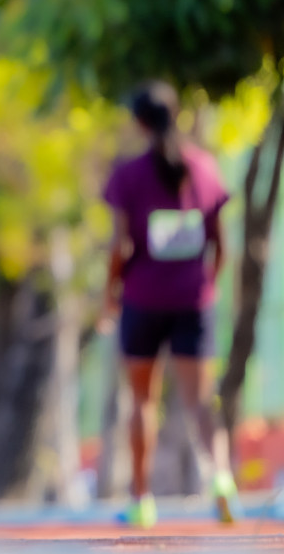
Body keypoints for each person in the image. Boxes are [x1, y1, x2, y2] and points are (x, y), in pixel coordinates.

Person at [99, 82, 237, 528]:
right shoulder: (205, 168)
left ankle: (142, 501)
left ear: (139, 123)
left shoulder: (128, 175)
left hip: (142, 300)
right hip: (193, 300)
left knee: (142, 401)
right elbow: (221, 244)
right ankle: (222, 478)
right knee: (201, 399)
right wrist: (207, 284)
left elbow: (119, 245)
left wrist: (110, 295)